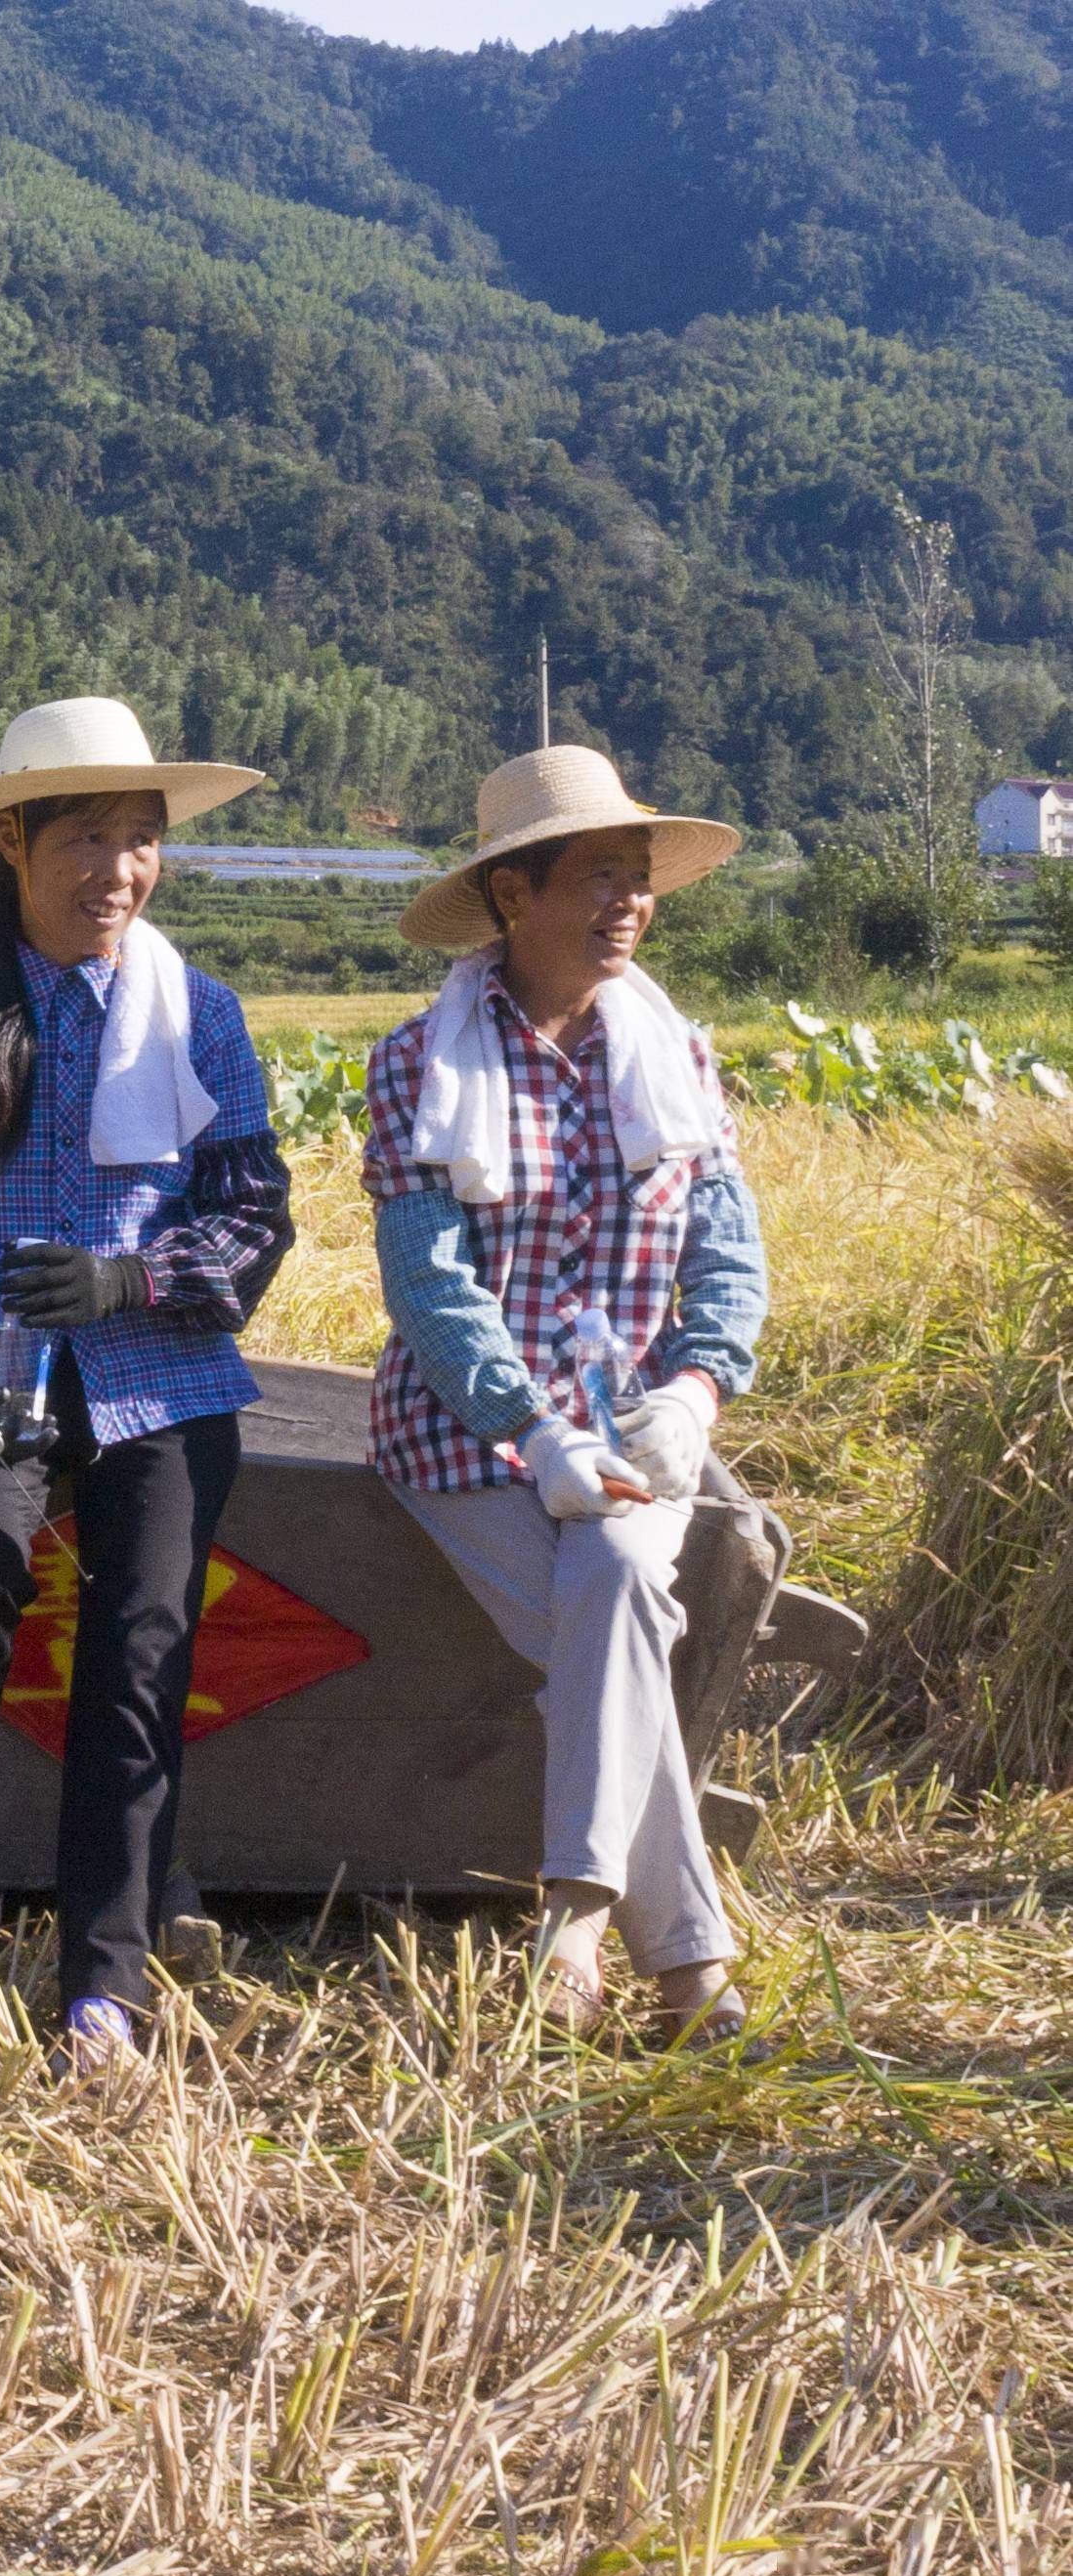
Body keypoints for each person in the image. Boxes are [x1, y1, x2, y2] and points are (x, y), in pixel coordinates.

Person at [0, 697, 294, 2072]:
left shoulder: (197, 1012)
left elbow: (254, 1210)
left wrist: (133, 1280)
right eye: (86, 838)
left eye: (140, 840)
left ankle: (105, 1979)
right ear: (14, 842)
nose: (118, 871)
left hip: (160, 1365)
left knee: (141, 1651)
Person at [365, 745, 762, 2047]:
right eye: (597, 877)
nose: (627, 905)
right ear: (509, 898)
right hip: (467, 1437)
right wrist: (532, 1430)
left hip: (641, 1426)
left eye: (638, 881)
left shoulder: (677, 1056)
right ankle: (688, 1967)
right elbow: (429, 1290)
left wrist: (696, 1392)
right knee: (622, 1601)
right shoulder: (423, 1066)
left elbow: (727, 1255)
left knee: (611, 1583)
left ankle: (578, 1914)